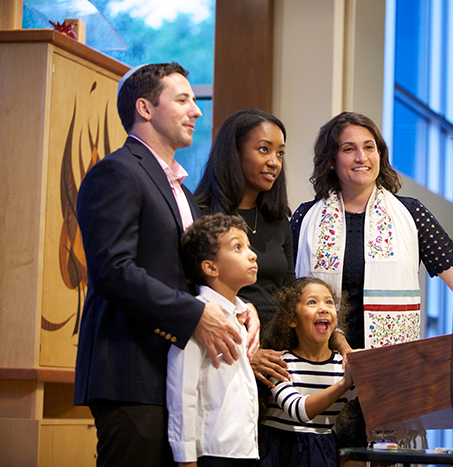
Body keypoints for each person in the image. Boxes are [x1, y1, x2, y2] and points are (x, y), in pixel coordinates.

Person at [75, 63, 259, 467]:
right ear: (144, 107)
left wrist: (241, 310)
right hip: (130, 369)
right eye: (183, 100)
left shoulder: (184, 192)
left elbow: (197, 275)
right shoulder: (117, 172)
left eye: (195, 101)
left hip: (176, 375)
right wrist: (195, 314)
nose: (196, 111)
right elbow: (112, 270)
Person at [292, 111, 453, 354]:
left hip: (390, 366)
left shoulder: (411, 213)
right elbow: (283, 294)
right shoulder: (307, 218)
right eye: (349, 149)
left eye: (369, 147)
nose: (361, 157)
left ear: (380, 154)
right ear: (331, 160)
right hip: (321, 365)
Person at [194, 109, 295, 385]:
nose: (274, 162)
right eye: (264, 150)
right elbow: (193, 293)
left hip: (278, 357)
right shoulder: (200, 216)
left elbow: (289, 291)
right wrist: (247, 351)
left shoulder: (278, 220)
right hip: (223, 353)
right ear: (234, 153)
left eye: (280, 153)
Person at [168, 213, 259, 467]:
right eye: (238, 248)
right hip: (213, 451)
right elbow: (182, 391)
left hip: (245, 449)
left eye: (249, 247)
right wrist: (185, 458)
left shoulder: (240, 317)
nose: (252, 255)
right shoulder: (198, 317)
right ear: (210, 267)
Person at [258, 277, 356, 467]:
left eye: (329, 302)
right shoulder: (280, 363)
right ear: (291, 319)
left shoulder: (343, 365)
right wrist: (345, 384)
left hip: (323, 453)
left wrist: (372, 369)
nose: (323, 308)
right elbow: (299, 410)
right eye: (312, 302)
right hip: (280, 452)